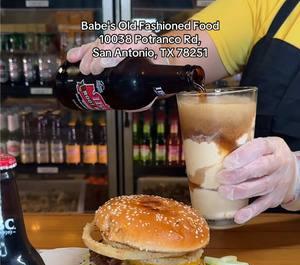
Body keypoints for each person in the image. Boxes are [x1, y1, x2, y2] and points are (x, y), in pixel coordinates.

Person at [67, 0, 300, 224]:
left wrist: (296, 178)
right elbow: (179, 54)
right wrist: (154, 58)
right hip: (245, 231)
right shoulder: (272, 4)